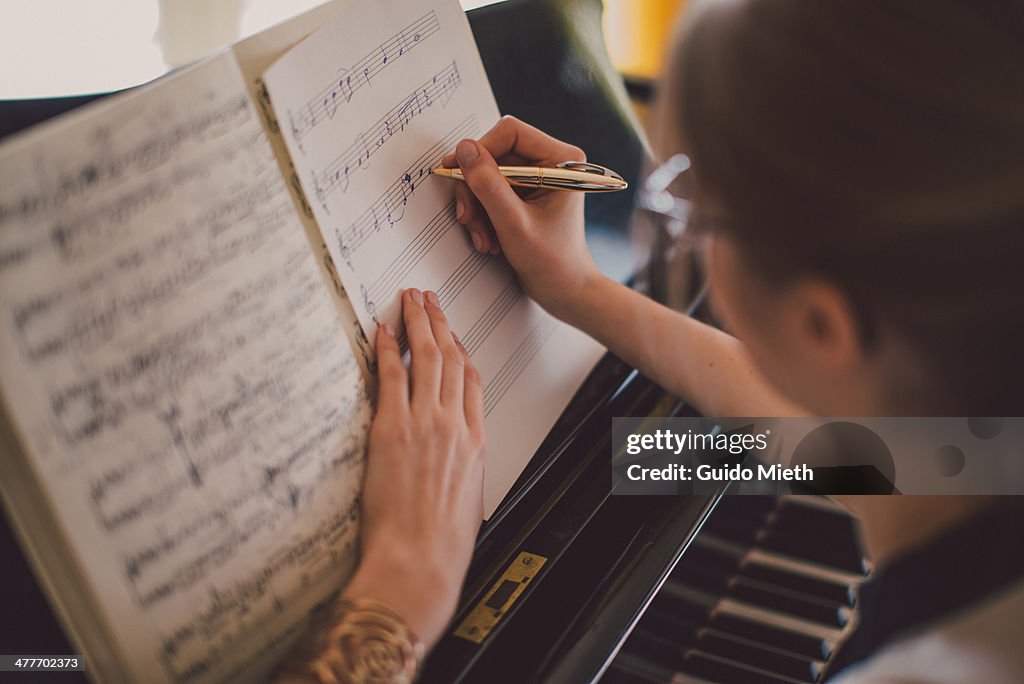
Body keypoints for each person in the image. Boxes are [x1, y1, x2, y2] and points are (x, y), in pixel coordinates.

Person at [277, 0, 1024, 681]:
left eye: (692, 200)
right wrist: (583, 292)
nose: (678, 226)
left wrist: (398, 595)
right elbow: (867, 448)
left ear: (822, 325)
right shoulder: (979, 445)